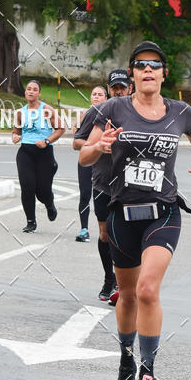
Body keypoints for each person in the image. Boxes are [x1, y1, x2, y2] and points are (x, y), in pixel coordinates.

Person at [79, 40, 191, 380]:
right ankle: (125, 358)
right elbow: (85, 156)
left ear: (164, 73)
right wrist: (100, 147)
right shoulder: (112, 108)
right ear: (134, 74)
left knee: (148, 290)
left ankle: (148, 369)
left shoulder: (181, 111)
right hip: (122, 213)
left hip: (164, 212)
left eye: (155, 64)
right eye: (141, 65)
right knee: (127, 295)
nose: (148, 70)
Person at [73, 70, 132, 301]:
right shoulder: (97, 112)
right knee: (105, 234)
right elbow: (78, 142)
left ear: (130, 88)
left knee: (126, 235)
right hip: (103, 181)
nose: (118, 91)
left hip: (129, 184)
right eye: (114, 87)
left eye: (123, 87)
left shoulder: (137, 113)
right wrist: (98, 144)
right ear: (109, 88)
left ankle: (123, 282)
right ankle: (109, 278)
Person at [12, 80, 64, 232]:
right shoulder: (20, 112)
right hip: (25, 153)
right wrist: (15, 136)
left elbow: (61, 128)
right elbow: (16, 131)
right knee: (27, 187)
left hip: (44, 154)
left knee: (42, 192)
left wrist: (47, 141)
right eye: (28, 89)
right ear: (25, 92)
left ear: (39, 93)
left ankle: (49, 203)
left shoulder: (46, 109)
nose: (31, 92)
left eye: (34, 89)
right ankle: (30, 222)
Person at [75, 85, 107, 242]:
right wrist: (94, 146)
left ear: (105, 99)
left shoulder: (110, 114)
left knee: (102, 196)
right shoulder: (84, 115)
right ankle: (84, 229)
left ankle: (107, 230)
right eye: (94, 94)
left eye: (100, 94)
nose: (96, 96)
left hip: (103, 164)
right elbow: (75, 143)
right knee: (85, 194)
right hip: (87, 161)